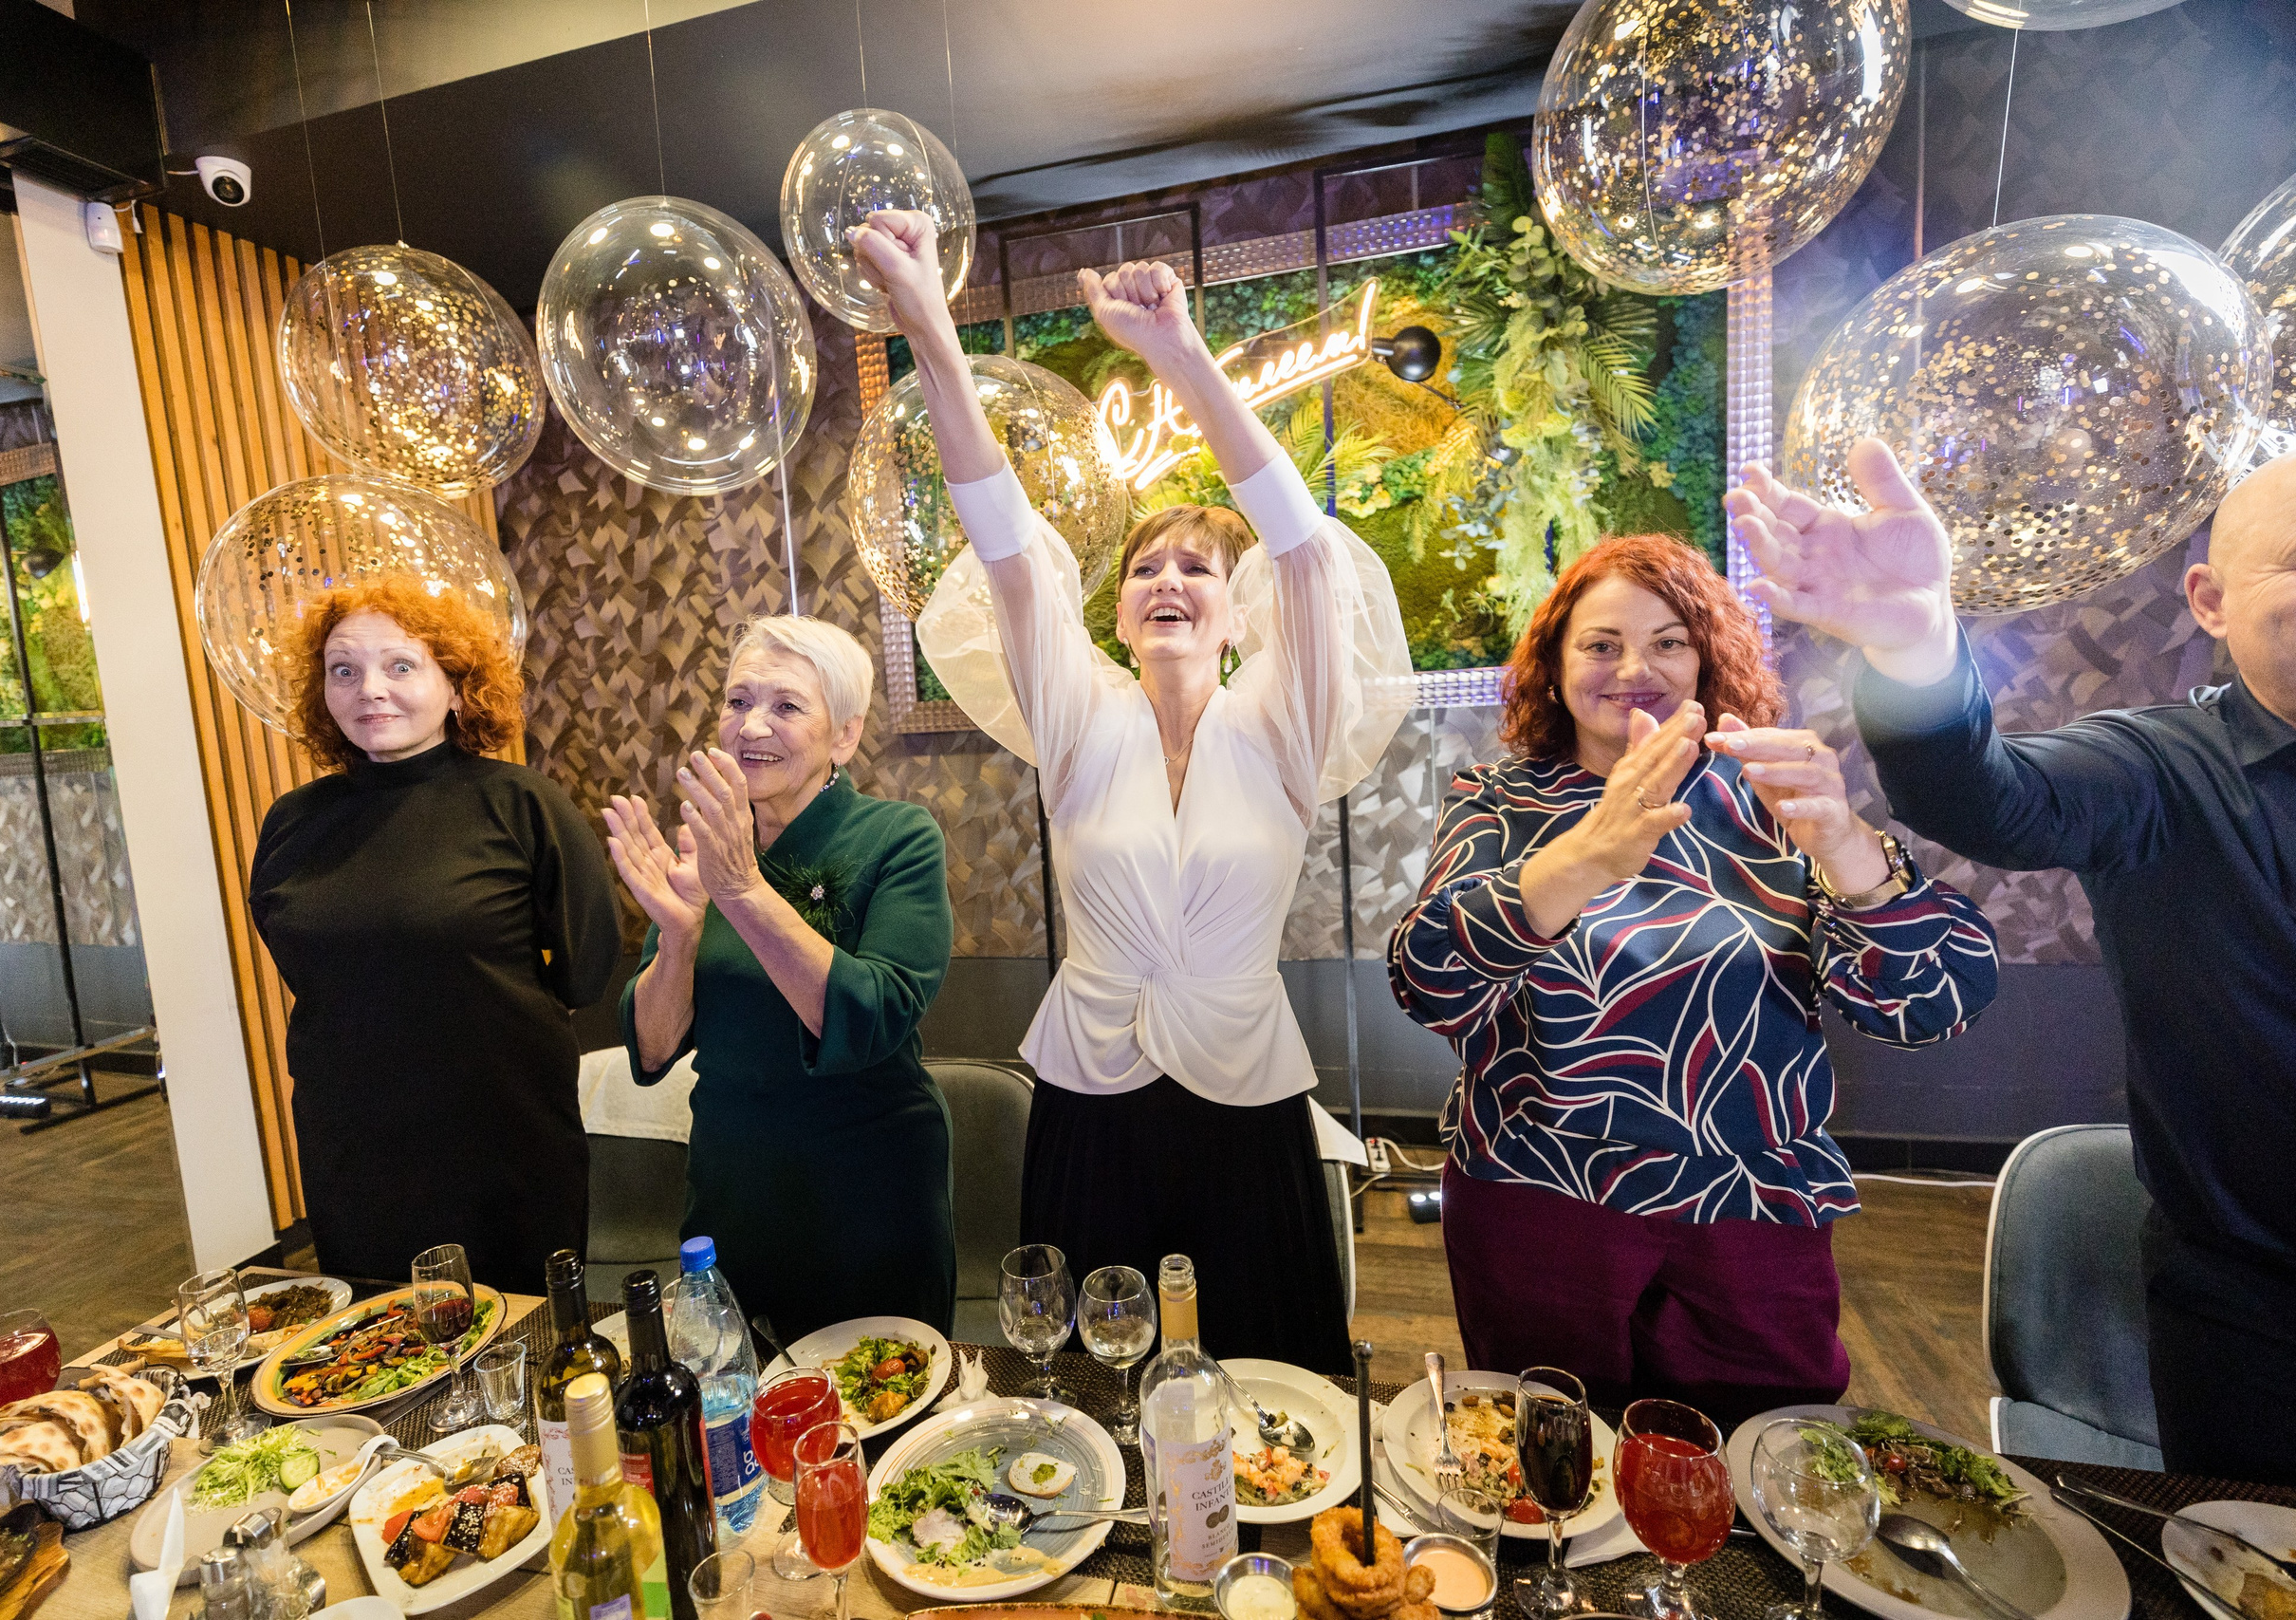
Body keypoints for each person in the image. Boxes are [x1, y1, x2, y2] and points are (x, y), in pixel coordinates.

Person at [856, 210, 1412, 1375]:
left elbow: (1306, 552)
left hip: (1246, 1092)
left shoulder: (1284, 718)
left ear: (1233, 606)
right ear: (1114, 613)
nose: (1165, 579)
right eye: (1144, 567)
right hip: (1088, 1091)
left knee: (1273, 1377)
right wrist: (930, 335)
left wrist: (1183, 359)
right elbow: (1006, 546)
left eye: (1194, 566)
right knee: (1082, 1375)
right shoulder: (1076, 715)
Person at [1730, 440, 2296, 1481]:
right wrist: (1912, 649)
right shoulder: (2163, 768)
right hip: (2249, 1319)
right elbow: (1981, 796)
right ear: (2208, 601)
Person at [1387, 533, 1998, 1426]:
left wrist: (1848, 850)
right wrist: (1590, 853)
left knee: (1760, 1470)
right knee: (1550, 1465)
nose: (1635, 666)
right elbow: (1428, 980)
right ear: (1555, 672)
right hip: (1540, 1205)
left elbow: (1936, 1002)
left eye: (1670, 641)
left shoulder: (1774, 792)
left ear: (1707, 659)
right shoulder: (1498, 800)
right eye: (1601, 644)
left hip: (1748, 1213)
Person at [250, 578, 621, 1294]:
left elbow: (587, 966)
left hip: (503, 1131)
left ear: (456, 687)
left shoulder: (521, 802)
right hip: (352, 1139)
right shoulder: (293, 821)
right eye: (344, 669)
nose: (370, 689)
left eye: (401, 665)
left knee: (525, 1336)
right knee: (378, 1349)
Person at [607, 615, 954, 1343]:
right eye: (737, 702)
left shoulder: (898, 836)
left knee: (875, 1424)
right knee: (736, 1421)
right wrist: (678, 935)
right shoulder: (706, 844)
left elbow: (874, 1014)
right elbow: (651, 1048)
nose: (750, 725)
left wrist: (740, 890)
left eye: (787, 706)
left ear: (845, 736)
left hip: (867, 1197)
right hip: (732, 1194)